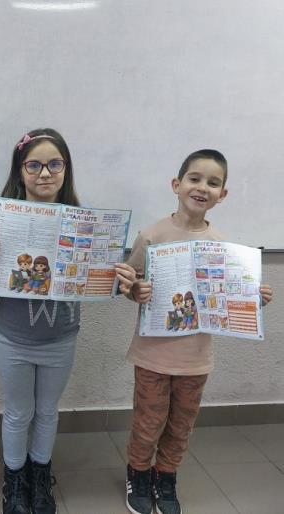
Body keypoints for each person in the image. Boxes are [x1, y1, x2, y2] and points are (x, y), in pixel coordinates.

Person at [0, 129, 135, 514]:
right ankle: (15, 480)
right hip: (12, 339)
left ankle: (40, 474)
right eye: (34, 165)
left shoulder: (85, 223)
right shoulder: (4, 221)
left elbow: (99, 280)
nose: (45, 173)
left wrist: (119, 279)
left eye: (54, 164)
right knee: (17, 413)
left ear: (65, 169)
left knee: (46, 411)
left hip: (61, 339)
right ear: (20, 170)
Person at [117, 149, 273, 514]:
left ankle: (166, 476)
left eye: (213, 183)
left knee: (181, 424)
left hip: (196, 359)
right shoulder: (152, 234)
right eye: (195, 178)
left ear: (223, 194)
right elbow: (129, 283)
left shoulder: (221, 245)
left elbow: (226, 299)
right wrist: (135, 290)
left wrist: (252, 301)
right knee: (148, 421)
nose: (202, 187)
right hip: (153, 355)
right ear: (177, 184)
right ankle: (138, 473)